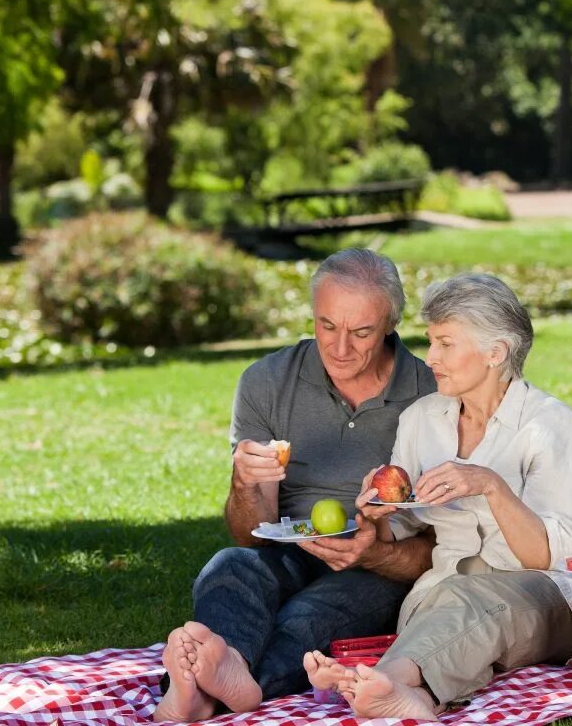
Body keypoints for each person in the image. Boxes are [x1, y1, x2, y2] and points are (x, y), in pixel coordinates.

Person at [153, 249, 437, 722]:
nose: (340, 347)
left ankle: (200, 692)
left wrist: (373, 555)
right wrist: (245, 484)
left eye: (361, 332)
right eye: (327, 326)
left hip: (381, 567)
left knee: (310, 616)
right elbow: (250, 534)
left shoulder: (432, 392)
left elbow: (446, 547)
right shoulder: (266, 382)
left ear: (390, 325)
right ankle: (222, 677)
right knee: (230, 567)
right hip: (290, 547)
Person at [303, 273, 572, 719]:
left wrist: (491, 486)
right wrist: (377, 517)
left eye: (446, 344)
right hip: (445, 590)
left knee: (470, 599)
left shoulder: (549, 424)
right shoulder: (422, 419)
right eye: (431, 342)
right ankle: (409, 696)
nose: (430, 358)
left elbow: (547, 557)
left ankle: (372, 680)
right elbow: (404, 526)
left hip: (551, 594)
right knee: (445, 598)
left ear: (495, 353)